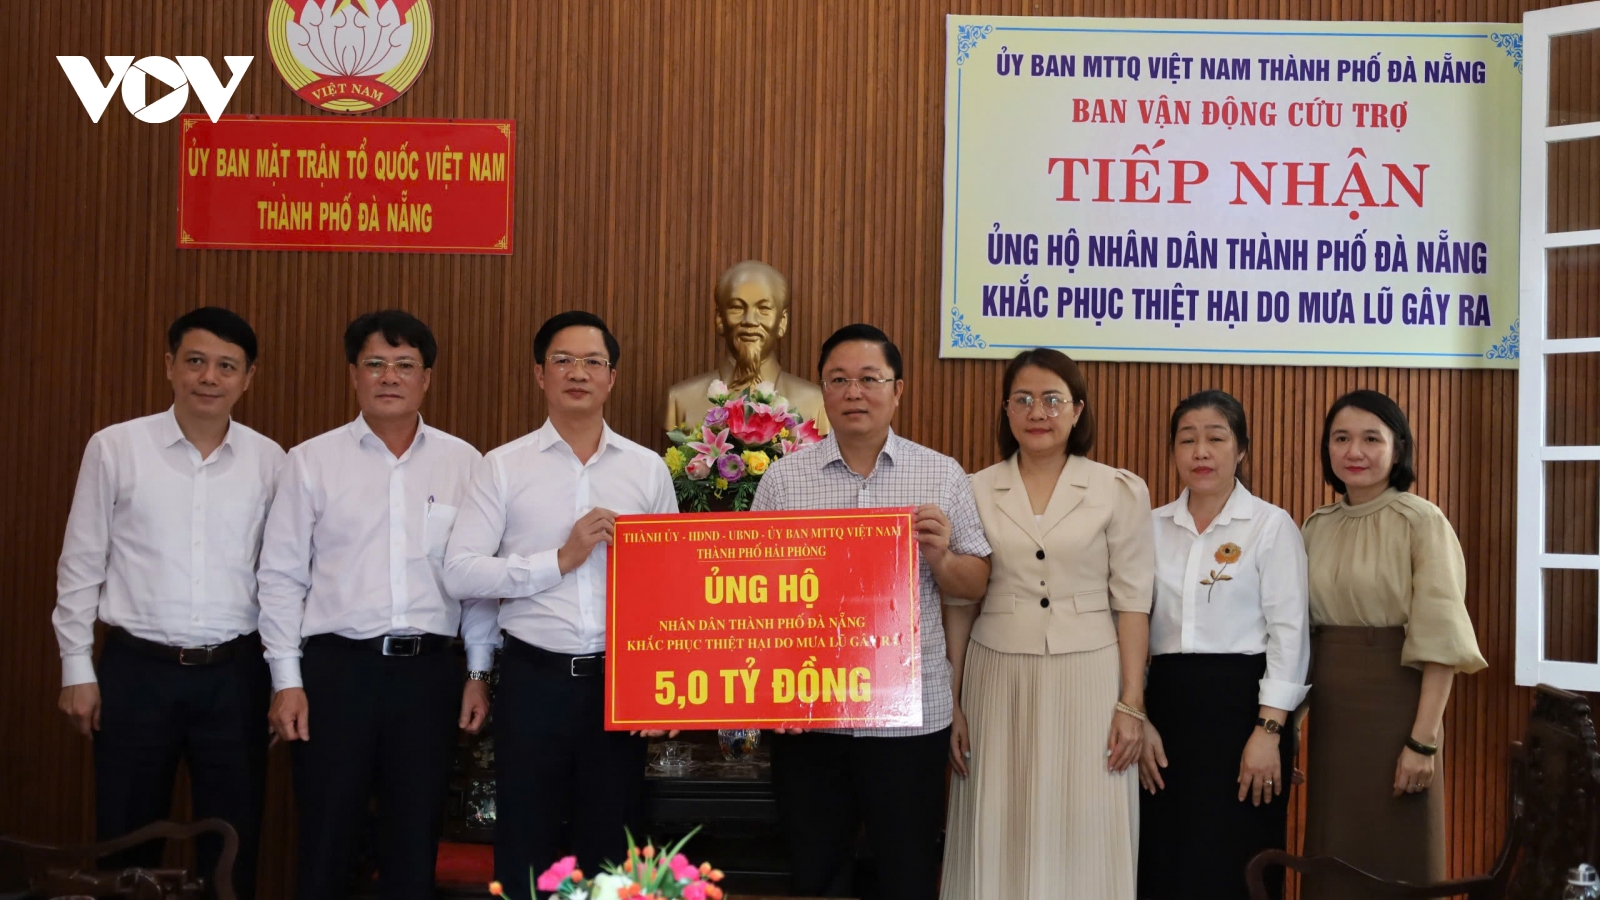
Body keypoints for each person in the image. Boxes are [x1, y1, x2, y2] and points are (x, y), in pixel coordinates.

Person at [750, 323, 992, 900]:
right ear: (823, 392)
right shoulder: (784, 480)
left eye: (869, 379)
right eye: (838, 380)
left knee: (907, 872)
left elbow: (976, 582)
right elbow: (754, 594)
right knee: (816, 873)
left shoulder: (941, 474)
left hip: (908, 720)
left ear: (897, 390)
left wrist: (940, 556)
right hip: (809, 714)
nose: (853, 392)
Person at [52, 307, 283, 899]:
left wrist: (283, 678)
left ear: (248, 378)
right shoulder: (116, 448)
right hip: (136, 672)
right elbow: (81, 562)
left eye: (226, 366)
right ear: (169, 365)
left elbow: (282, 579)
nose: (209, 377)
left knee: (232, 843)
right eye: (196, 361)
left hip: (235, 675)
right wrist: (76, 667)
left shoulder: (271, 462)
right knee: (125, 841)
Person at [444, 311, 677, 900]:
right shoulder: (503, 466)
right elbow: (461, 570)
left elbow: (669, 586)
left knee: (613, 851)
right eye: (563, 361)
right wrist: (561, 558)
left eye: (593, 362)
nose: (578, 372)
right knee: (526, 845)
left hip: (617, 685)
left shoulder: (647, 469)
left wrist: (663, 685)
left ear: (612, 378)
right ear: (539, 374)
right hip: (534, 679)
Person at [257, 310, 486, 900]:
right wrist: (287, 681)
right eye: (375, 364)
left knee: (415, 840)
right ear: (353, 374)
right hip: (337, 674)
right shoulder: (310, 461)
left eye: (405, 365)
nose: (389, 376)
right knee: (327, 839)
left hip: (429, 675)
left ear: (426, 378)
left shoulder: (464, 463)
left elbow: (478, 580)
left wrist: (478, 672)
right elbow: (280, 578)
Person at [941, 348, 1154, 900]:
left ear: (1078, 410)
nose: (1038, 412)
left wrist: (1132, 704)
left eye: (1053, 399)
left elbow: (1133, 601)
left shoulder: (1117, 489)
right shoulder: (973, 488)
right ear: (1006, 410)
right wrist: (953, 701)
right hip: (997, 675)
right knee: (999, 819)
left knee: (1084, 820)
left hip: (1090, 677)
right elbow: (960, 604)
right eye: (1024, 399)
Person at [1299, 389, 1487, 899]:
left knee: (1397, 859)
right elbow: (1302, 637)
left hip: (1398, 713)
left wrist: (1422, 742)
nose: (1354, 451)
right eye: (1341, 438)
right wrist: (1290, 726)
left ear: (1398, 448)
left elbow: (1442, 642)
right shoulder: (1316, 526)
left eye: (1371, 439)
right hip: (1332, 720)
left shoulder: (1422, 521)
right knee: (1333, 857)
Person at [1137, 390, 1310, 900]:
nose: (1200, 452)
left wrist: (1269, 731)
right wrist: (1138, 714)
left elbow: (1290, 635)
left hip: (1245, 715)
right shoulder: (1150, 527)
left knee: (1238, 863)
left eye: (1215, 438)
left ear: (1241, 450)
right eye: (1187, 439)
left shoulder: (1270, 525)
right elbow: (1129, 624)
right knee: (1165, 861)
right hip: (1165, 716)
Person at [663, 260, 828, 432]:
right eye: (737, 308)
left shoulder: (817, 403)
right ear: (719, 319)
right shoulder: (679, 400)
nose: (750, 321)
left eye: (763, 309)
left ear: (782, 321)